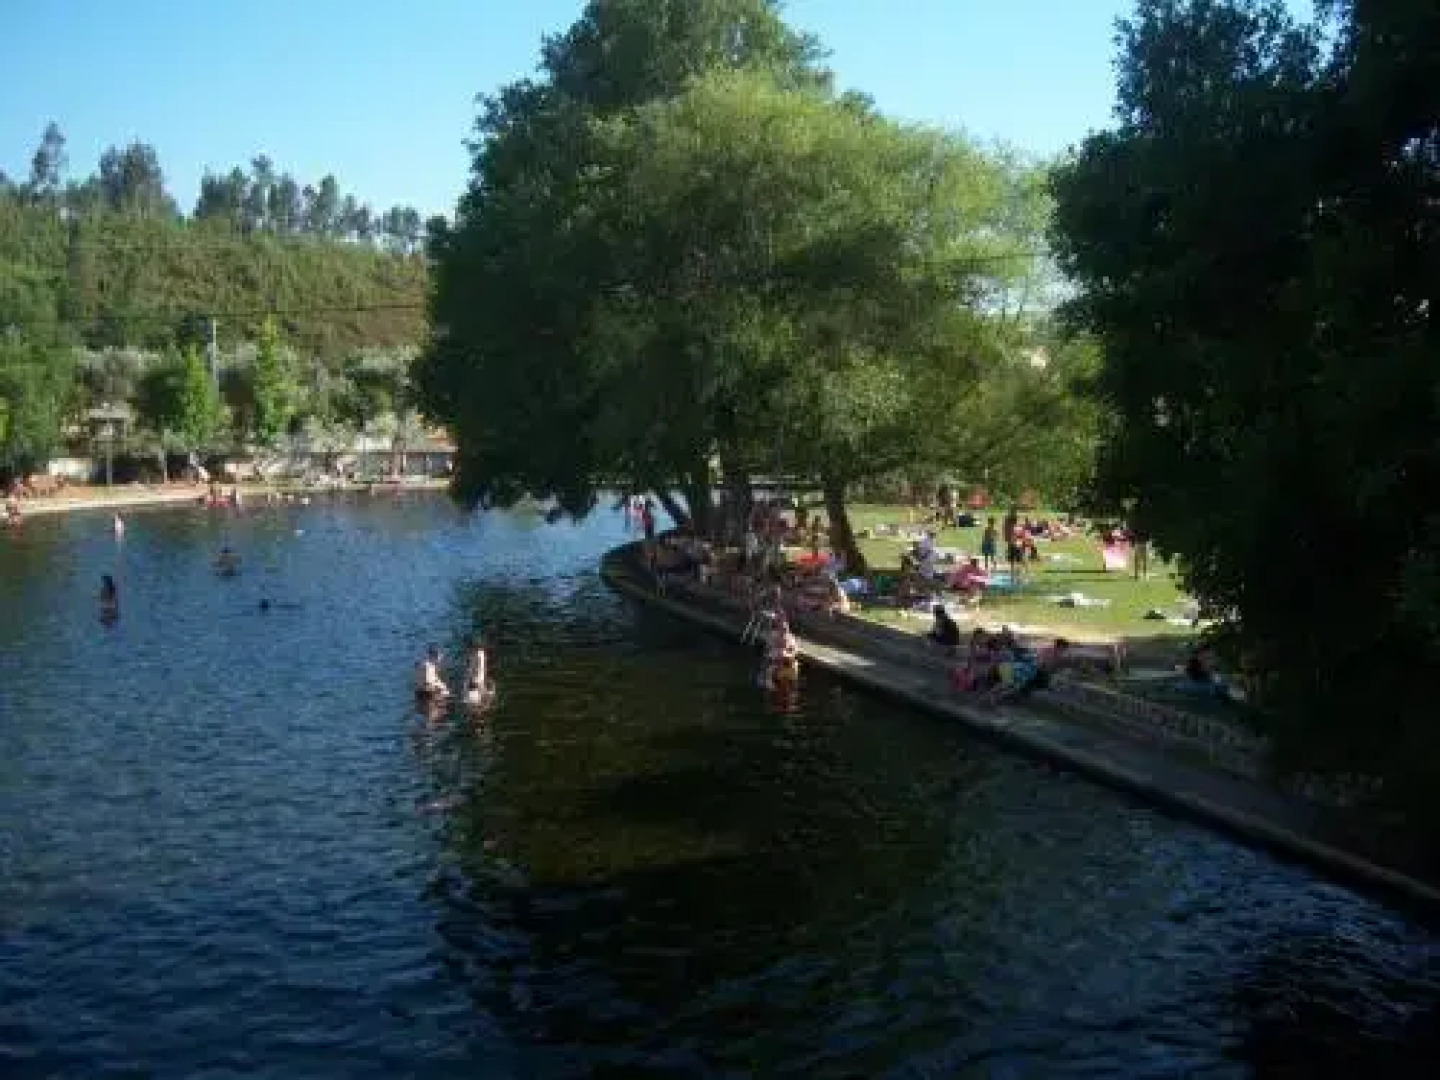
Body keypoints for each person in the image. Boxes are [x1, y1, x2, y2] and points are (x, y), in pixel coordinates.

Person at [761, 616, 800, 691]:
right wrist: (776, 652)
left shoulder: (791, 638)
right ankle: (768, 681)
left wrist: (789, 654)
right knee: (770, 667)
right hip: (775, 657)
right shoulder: (774, 635)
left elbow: (795, 650)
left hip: (787, 658)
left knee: (794, 665)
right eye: (782, 629)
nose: (784, 631)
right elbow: (769, 647)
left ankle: (793, 684)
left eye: (785, 629)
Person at [463, 637, 494, 708]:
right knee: (484, 696)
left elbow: (477, 668)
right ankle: (479, 704)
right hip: (477, 680)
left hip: (476, 679)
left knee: (481, 696)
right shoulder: (479, 654)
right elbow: (478, 668)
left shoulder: (478, 654)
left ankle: (477, 703)